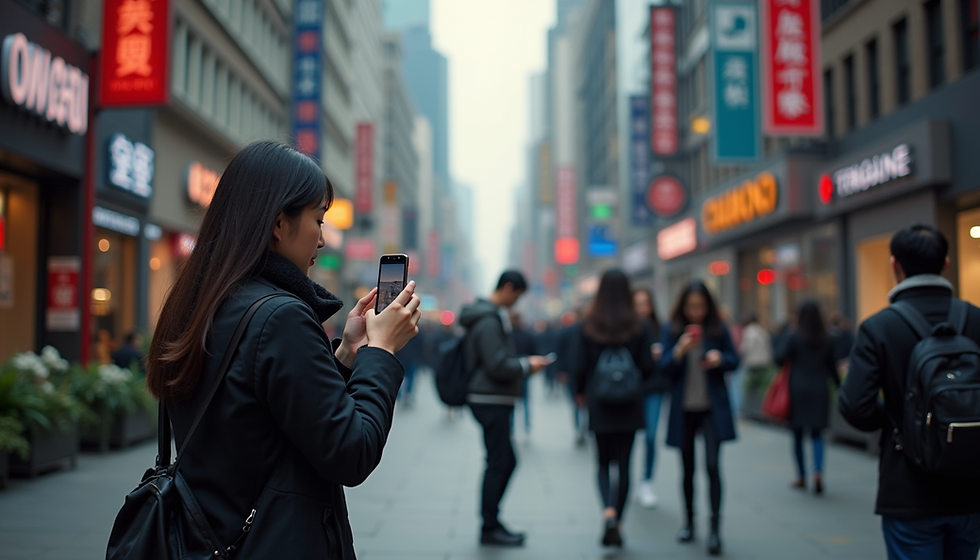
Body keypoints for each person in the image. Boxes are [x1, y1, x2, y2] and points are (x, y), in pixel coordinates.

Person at [145, 142, 420, 559]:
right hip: (272, 540)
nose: (322, 239)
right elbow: (352, 451)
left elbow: (269, 412)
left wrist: (347, 353)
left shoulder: (203, 301)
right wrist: (381, 350)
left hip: (211, 532)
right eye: (317, 219)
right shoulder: (280, 316)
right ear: (278, 223)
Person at [839, 224, 980, 560]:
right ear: (945, 263)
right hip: (972, 485)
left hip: (908, 486)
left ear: (895, 264)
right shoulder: (975, 318)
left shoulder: (879, 326)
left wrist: (899, 419)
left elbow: (855, 407)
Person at [459, 271, 551, 547]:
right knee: (500, 462)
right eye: (518, 296)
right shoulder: (489, 319)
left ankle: (492, 522)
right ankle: (489, 526)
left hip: (491, 397)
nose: (517, 302)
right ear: (508, 288)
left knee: (503, 461)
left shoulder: (488, 315)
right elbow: (496, 364)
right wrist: (527, 365)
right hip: (490, 398)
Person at [573, 271, 656, 547]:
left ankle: (608, 512)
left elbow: (578, 365)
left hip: (600, 403)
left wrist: (579, 393)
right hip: (630, 404)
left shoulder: (589, 325)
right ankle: (619, 521)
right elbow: (648, 367)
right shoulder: (639, 326)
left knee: (602, 463)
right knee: (624, 464)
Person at [660, 280, 739, 556]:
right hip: (684, 409)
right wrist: (679, 350)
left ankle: (715, 529)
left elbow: (734, 360)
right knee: (687, 469)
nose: (696, 312)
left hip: (711, 408)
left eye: (701, 306)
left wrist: (720, 359)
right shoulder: (671, 330)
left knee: (713, 466)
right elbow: (663, 368)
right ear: (683, 306)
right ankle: (689, 522)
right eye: (691, 306)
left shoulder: (718, 328)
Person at [774, 300, 840, 494]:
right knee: (817, 434)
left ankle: (801, 476)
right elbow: (832, 368)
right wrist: (840, 387)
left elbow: (779, 359)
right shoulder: (828, 338)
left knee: (797, 435)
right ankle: (818, 472)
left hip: (797, 390)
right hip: (820, 389)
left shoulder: (794, 337)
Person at [632, 286, 667, 509]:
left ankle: (647, 481)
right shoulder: (627, 329)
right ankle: (627, 480)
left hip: (654, 388)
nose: (642, 309)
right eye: (637, 304)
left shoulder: (660, 329)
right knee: (628, 438)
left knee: (651, 436)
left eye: (645, 304)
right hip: (630, 391)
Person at [510, 311, 538, 439]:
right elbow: (534, 353)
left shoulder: (506, 335)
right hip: (524, 371)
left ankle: (511, 429)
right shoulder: (527, 335)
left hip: (510, 373)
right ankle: (526, 428)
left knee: (511, 402)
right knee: (525, 402)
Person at [739, 312, 774, 412]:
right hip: (764, 363)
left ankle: (749, 409)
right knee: (763, 389)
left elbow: (745, 348)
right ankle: (762, 409)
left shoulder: (748, 331)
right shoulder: (762, 331)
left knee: (749, 388)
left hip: (752, 364)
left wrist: (740, 353)